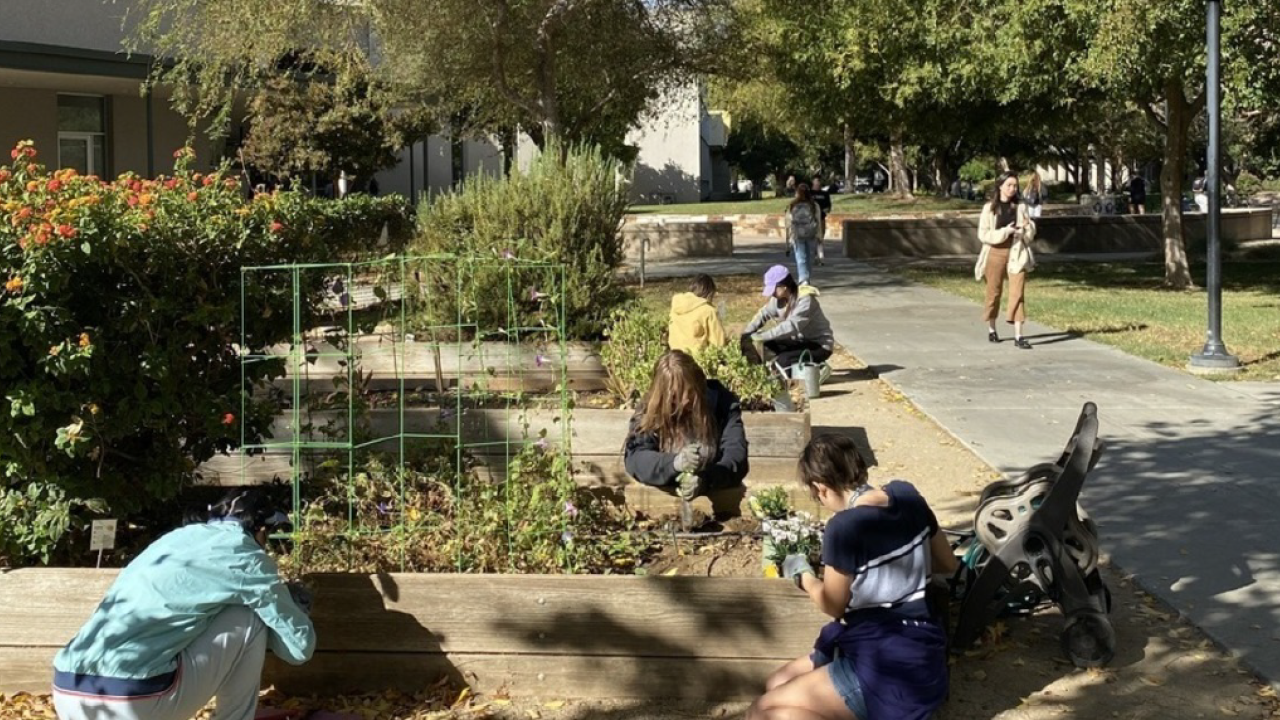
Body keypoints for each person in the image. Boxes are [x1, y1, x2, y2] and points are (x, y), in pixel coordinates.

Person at [52, 490, 316, 720]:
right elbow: (298, 650)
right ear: (260, 530)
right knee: (249, 617)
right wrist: (292, 604)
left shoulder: (173, 540)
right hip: (132, 700)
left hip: (68, 691)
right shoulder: (246, 555)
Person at [747, 433, 957, 720]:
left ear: (821, 488)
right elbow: (948, 562)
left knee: (762, 712)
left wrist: (804, 575)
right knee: (776, 683)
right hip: (924, 654)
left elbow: (833, 605)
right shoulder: (908, 496)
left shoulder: (844, 527)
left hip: (884, 668)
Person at [623, 350, 749, 501]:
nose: (684, 401)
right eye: (675, 396)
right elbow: (635, 458)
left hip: (715, 496)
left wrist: (705, 480)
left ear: (699, 384)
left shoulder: (722, 403)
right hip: (662, 498)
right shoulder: (650, 410)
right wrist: (675, 463)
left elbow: (736, 455)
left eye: (690, 393)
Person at [976, 171, 1037, 349]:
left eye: (1015, 186)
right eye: (1009, 185)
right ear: (1000, 186)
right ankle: (992, 328)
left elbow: (1030, 234)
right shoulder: (990, 208)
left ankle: (1019, 336)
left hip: (1016, 253)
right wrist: (1005, 232)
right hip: (995, 253)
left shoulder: (1020, 207)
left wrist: (1025, 229)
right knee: (993, 292)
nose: (1012, 189)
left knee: (1017, 293)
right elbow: (983, 234)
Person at [742, 265, 835, 375]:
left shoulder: (805, 300)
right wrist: (747, 333)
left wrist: (761, 337)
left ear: (784, 286)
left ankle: (817, 368)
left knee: (783, 360)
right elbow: (763, 314)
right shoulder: (778, 300)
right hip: (799, 342)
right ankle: (796, 365)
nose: (772, 293)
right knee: (766, 345)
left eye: (773, 289)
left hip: (819, 345)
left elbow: (791, 326)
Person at [668, 274, 728, 356]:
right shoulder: (708, 311)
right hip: (697, 361)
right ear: (710, 294)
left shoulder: (676, 306)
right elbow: (719, 343)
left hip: (675, 358)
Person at [786, 184, 822, 285]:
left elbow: (788, 222)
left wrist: (789, 237)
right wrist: (819, 235)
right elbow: (818, 220)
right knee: (809, 257)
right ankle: (807, 278)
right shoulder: (814, 205)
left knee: (800, 257)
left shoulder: (792, 205)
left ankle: (803, 279)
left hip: (797, 234)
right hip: (811, 233)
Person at [810, 175, 833, 266]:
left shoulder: (825, 194)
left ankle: (819, 256)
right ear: (813, 182)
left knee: (820, 237)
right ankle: (815, 255)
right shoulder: (809, 193)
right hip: (810, 220)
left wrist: (826, 210)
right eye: (816, 181)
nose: (818, 183)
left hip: (821, 218)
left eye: (819, 181)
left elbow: (828, 207)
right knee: (812, 237)